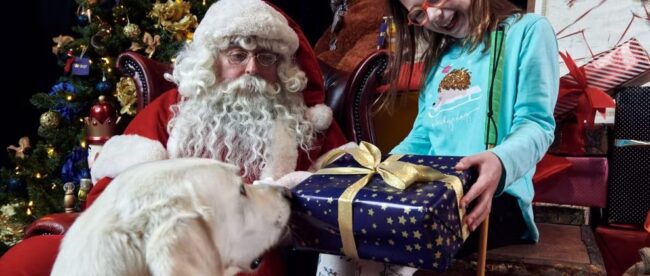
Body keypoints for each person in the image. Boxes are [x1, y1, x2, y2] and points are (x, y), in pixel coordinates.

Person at [0, 0, 347, 275]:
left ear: (283, 69)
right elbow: (109, 193)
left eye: (266, 58)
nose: (252, 69)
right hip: (151, 242)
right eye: (237, 56)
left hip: (243, 249)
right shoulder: (172, 111)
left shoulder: (307, 126)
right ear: (213, 62)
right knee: (26, 262)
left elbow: (345, 198)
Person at [317, 0, 558, 274]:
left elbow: (537, 124)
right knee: (346, 232)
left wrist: (500, 160)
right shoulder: (441, 59)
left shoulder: (528, 31)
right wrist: (379, 171)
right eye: (419, 13)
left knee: (398, 244)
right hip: (433, 193)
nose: (435, 16)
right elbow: (421, 139)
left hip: (495, 199)